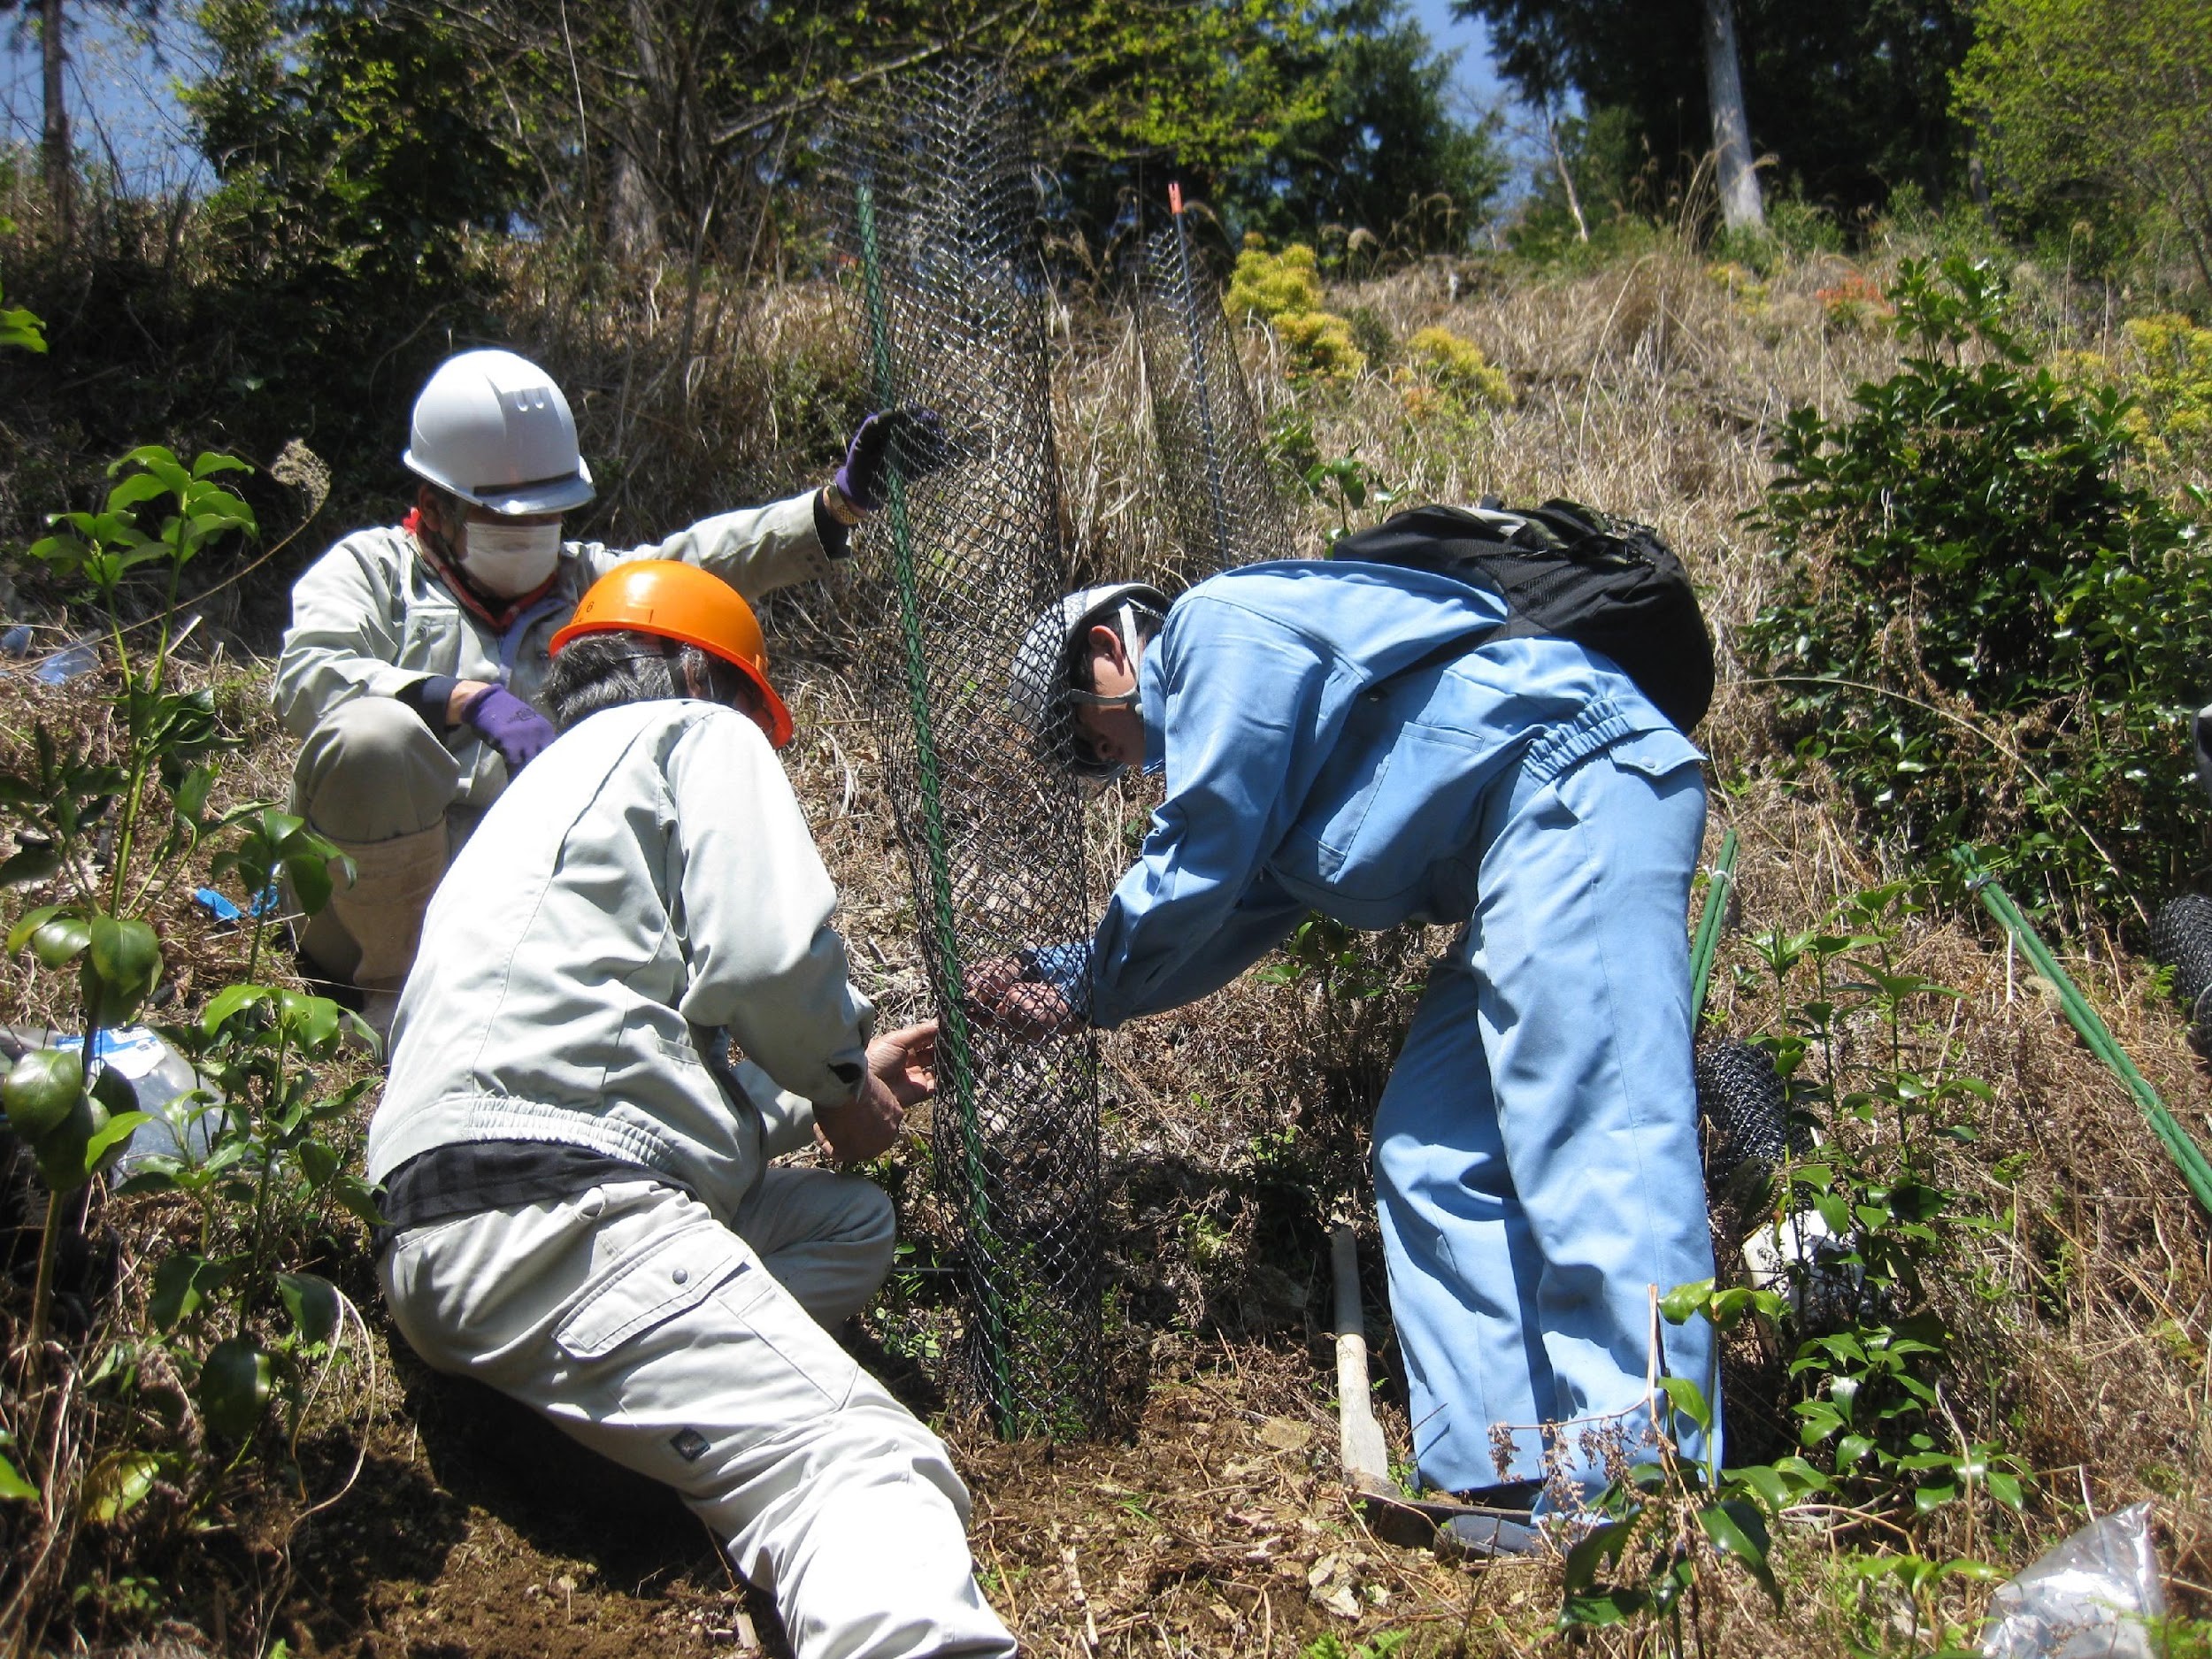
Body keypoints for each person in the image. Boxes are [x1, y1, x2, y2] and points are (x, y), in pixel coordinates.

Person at [986, 549, 1719, 1554]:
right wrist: (1072, 982)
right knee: (1428, 1151)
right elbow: (1221, 917)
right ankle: (1500, 1485)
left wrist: (1088, 979)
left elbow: (1201, 847)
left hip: (1577, 790)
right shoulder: (1268, 766)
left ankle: (1642, 1508)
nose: (1110, 764)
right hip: (1516, 857)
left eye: (1088, 739)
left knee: (1596, 1147)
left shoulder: (1213, 632)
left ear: (1109, 648)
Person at [365, 560, 1016, 1659]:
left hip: (437, 1237)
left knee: (848, 1223)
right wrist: (842, 1088)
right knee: (857, 1457)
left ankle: (592, 1431)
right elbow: (766, 960)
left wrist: (834, 1078)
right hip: (564, 1215)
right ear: (702, 677)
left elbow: (618, 1070)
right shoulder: (695, 732)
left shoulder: (529, 810)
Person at [273, 346, 929, 1027]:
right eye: (506, 520)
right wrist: (462, 698)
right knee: (374, 736)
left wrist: (834, 508)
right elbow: (308, 674)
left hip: (511, 907)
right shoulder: (372, 570)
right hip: (366, 912)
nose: (532, 534)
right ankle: (391, 1010)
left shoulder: (582, 581)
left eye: (546, 516)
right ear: (434, 508)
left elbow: (698, 564)